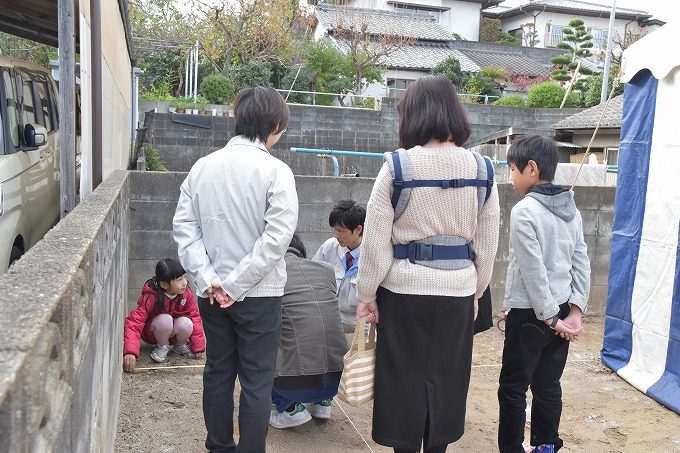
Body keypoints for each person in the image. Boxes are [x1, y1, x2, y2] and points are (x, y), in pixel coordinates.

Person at [355, 75, 500, 453]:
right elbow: (487, 245)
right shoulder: (483, 170)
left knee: (402, 381)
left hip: (403, 293)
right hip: (458, 292)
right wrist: (476, 291)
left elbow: (374, 241)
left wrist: (367, 293)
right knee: (448, 380)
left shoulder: (397, 167)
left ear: (412, 117)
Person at [173, 86, 298, 453]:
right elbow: (276, 240)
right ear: (274, 124)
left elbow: (184, 229)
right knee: (258, 380)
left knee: (218, 371)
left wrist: (211, 279)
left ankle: (219, 446)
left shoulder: (201, 168)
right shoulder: (277, 171)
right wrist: (235, 284)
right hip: (258, 294)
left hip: (211, 295)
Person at [497, 135, 590, 453]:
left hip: (529, 314)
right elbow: (581, 261)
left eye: (512, 170)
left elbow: (533, 273)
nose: (511, 178)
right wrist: (573, 311)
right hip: (562, 310)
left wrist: (551, 318)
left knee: (513, 387)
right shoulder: (571, 209)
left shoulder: (525, 212)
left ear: (531, 169)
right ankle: (547, 445)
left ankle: (512, 449)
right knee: (548, 384)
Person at [269, 233, 349, 429]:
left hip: (294, 381)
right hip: (338, 378)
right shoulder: (327, 270)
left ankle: (289, 408)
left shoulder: (271, 273)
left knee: (256, 343)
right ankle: (323, 403)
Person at [123, 258, 205, 372]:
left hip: (172, 333)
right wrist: (130, 351)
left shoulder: (186, 295)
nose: (185, 282)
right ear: (164, 284)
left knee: (187, 322)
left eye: (185, 277)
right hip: (154, 333)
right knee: (165, 319)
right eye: (179, 279)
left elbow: (195, 317)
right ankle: (162, 346)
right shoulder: (152, 295)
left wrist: (198, 346)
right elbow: (134, 322)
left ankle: (180, 346)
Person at [312, 199, 366, 333]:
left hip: (363, 318)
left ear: (358, 230)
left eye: (341, 231)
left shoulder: (372, 255)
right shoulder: (329, 248)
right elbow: (311, 277)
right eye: (335, 230)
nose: (336, 235)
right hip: (333, 315)